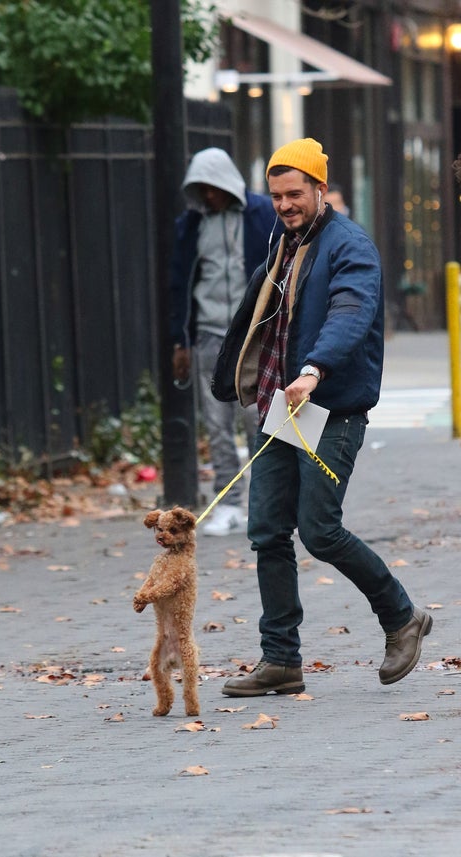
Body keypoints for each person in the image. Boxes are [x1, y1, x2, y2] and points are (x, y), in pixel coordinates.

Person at [212, 137, 432, 695]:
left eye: (294, 194)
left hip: (331, 408)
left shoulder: (349, 246)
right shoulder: (282, 243)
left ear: (318, 189)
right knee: (266, 531)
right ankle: (281, 660)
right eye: (276, 195)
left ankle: (402, 617)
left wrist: (314, 369)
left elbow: (350, 312)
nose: (284, 204)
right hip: (281, 408)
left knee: (320, 530)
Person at [170, 148, 282, 536]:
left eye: (213, 187)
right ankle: (228, 503)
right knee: (217, 424)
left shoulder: (263, 214)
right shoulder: (191, 224)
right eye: (201, 189)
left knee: (258, 419)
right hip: (209, 334)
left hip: (255, 332)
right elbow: (178, 284)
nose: (209, 195)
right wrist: (179, 341)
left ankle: (266, 502)